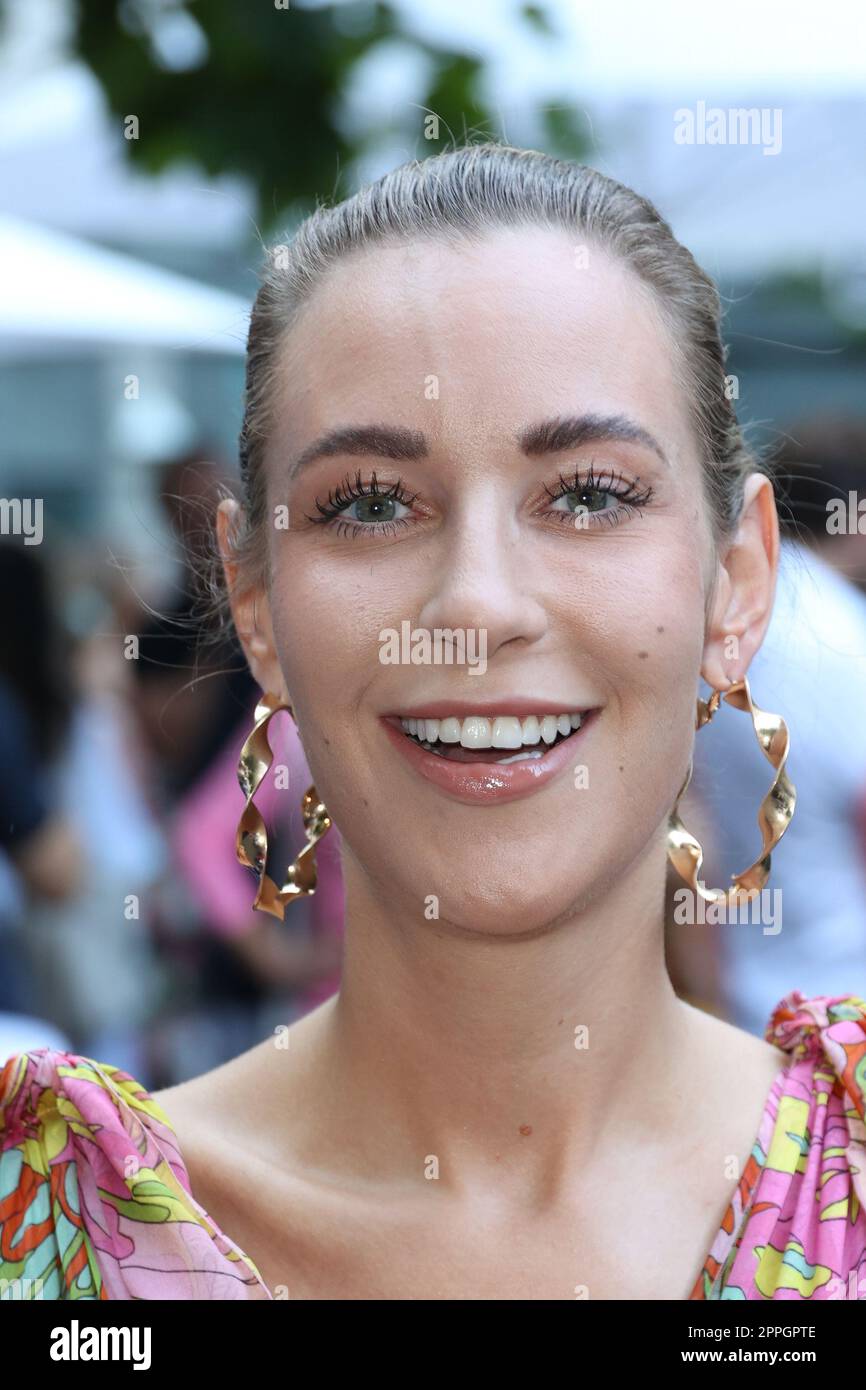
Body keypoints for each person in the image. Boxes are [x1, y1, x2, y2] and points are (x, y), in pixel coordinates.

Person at [1, 144, 864, 1302]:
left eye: (588, 494)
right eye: (367, 504)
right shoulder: (53, 1241)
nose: (475, 607)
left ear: (735, 583)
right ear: (254, 604)